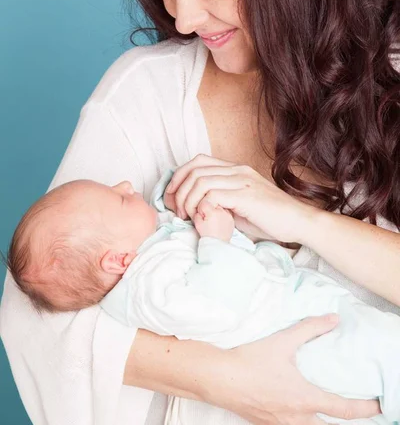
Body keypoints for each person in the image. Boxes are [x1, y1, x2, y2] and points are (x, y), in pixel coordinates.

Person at [1, 0, 399, 423]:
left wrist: (298, 219)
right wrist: (226, 381)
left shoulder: (391, 69)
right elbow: (36, 304)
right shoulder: (145, 91)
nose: (183, 20)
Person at [6, 171, 400, 425]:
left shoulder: (144, 248)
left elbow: (164, 214)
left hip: (305, 314)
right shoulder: (149, 289)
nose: (126, 186)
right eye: (120, 199)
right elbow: (216, 303)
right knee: (384, 350)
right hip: (296, 345)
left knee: (379, 358)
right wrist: (216, 239)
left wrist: (179, 194)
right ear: (117, 260)